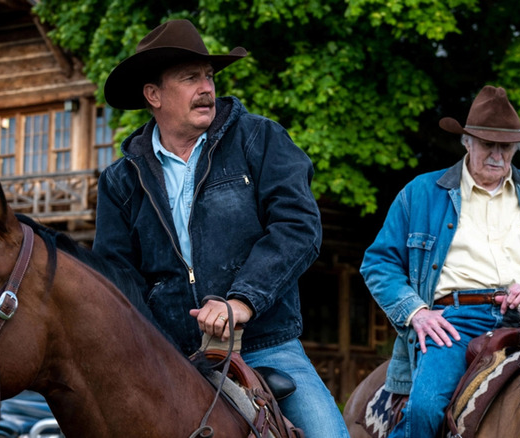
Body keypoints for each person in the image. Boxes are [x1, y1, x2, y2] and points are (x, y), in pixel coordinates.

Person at [93, 19, 349, 438]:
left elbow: (298, 227)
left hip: (266, 344)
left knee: (330, 436)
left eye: (209, 76)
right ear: (153, 95)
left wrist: (242, 301)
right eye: (190, 78)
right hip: (167, 355)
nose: (206, 87)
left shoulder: (259, 139)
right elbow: (116, 277)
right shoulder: (120, 180)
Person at [360, 85, 520, 438]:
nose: (496, 155)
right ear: (467, 143)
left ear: (516, 148)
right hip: (454, 323)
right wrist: (416, 312)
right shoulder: (421, 192)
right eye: (487, 144)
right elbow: (379, 263)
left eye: (505, 147)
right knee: (425, 409)